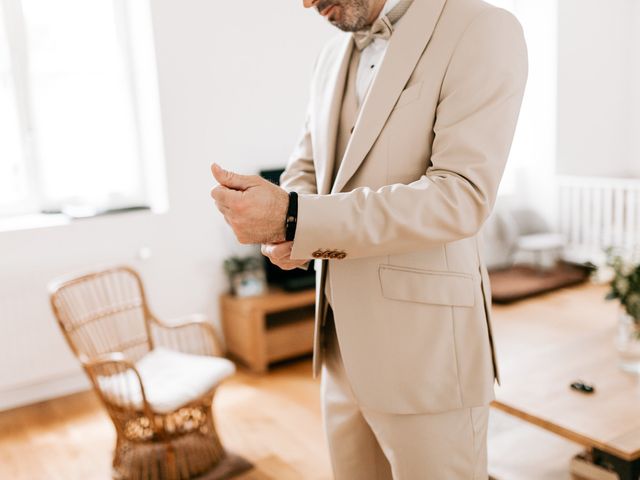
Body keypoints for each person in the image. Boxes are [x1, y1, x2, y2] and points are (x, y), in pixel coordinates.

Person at [210, 0, 528, 477]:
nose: (305, 2)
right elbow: (306, 166)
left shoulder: (483, 28)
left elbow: (459, 197)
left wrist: (296, 218)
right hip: (338, 350)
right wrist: (287, 224)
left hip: (428, 358)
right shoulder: (328, 57)